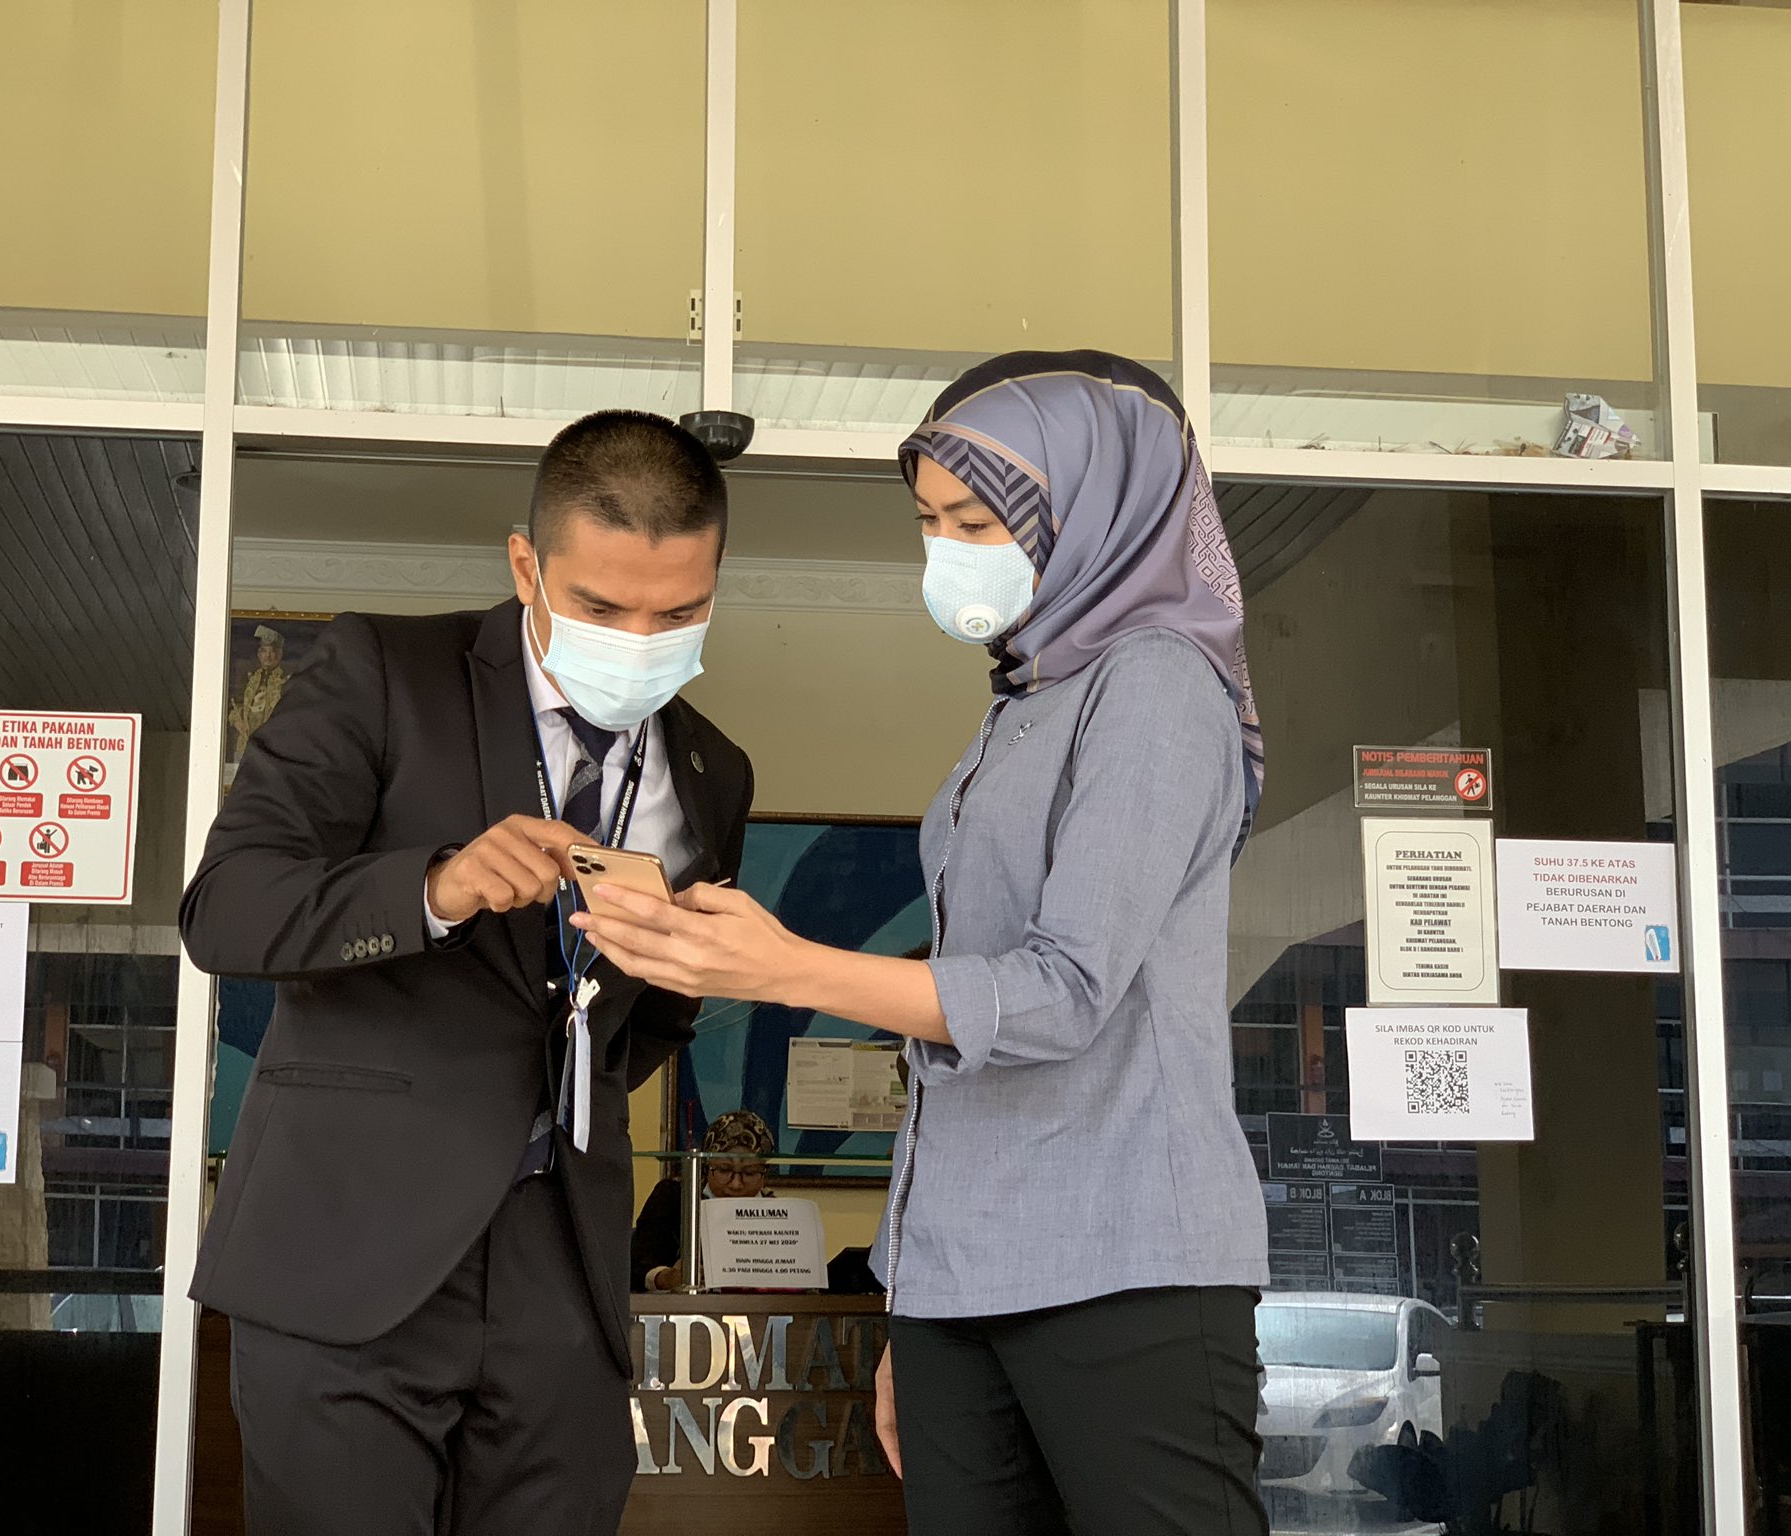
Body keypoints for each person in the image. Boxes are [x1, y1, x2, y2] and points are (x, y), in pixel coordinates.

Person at [574, 351, 1271, 1536]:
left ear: (1090, 511)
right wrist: (916, 1290)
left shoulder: (1155, 686)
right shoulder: (1024, 700)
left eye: (974, 523)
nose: (945, 552)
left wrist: (784, 968)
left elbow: (1062, 992)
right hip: (963, 1279)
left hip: (1123, 1265)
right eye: (929, 522)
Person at [179, 409, 756, 1536]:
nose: (641, 639)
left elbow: (645, 1022)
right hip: (351, 1248)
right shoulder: (385, 672)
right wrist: (433, 890)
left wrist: (645, 1011)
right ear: (525, 566)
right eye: (602, 608)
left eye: (679, 613)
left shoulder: (712, 769)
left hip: (564, 1273)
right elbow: (226, 908)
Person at [630, 1108, 774, 1291]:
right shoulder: (674, 1197)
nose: (736, 1184)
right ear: (707, 1166)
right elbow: (638, 1265)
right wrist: (667, 1277)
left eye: (750, 1173)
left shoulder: (777, 1210)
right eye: (724, 1170)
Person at [228, 623, 290, 759]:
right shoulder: (250, 679)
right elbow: (234, 705)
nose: (268, 656)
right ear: (259, 654)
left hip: (274, 746)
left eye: (272, 652)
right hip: (246, 744)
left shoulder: (286, 680)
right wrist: (237, 722)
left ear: (280, 654)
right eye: (264, 651)